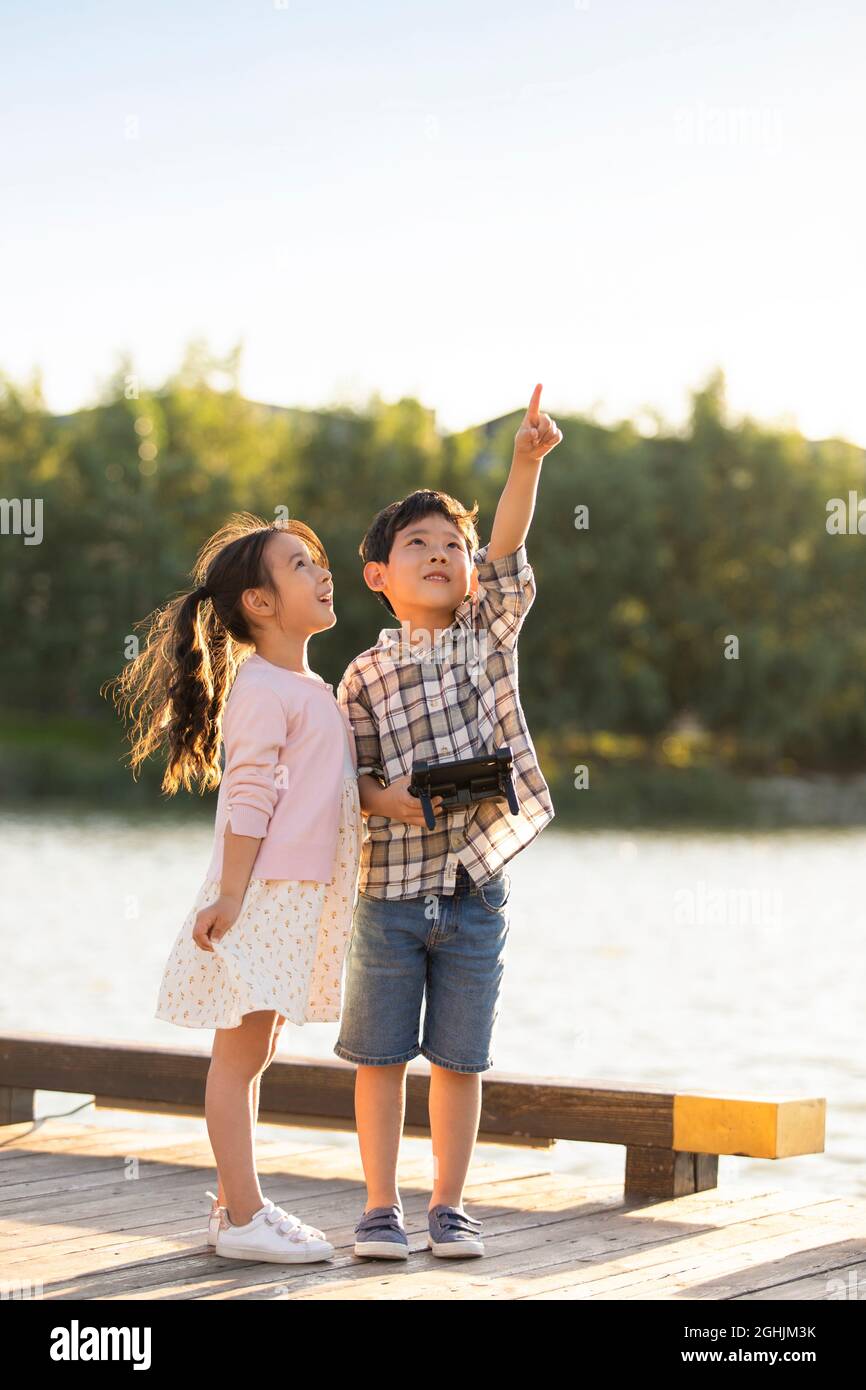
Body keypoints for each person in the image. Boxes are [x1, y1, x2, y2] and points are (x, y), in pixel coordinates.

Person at [334, 384, 562, 1259]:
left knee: (461, 1061)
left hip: (474, 891)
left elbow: (509, 545)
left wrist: (524, 463)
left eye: (451, 547)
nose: (441, 555)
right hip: (388, 895)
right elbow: (346, 779)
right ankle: (380, 1207)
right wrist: (386, 798)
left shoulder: (485, 635)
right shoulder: (359, 674)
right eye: (417, 545)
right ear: (378, 576)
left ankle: (449, 1205)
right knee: (381, 1059)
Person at [104, 511, 362, 1263]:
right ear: (260, 602)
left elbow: (330, 790)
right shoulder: (263, 688)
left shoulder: (313, 685)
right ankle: (244, 1214)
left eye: (320, 562)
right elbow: (250, 797)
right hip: (264, 894)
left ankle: (233, 1205)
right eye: (302, 565)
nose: (323, 574)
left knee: (259, 1047)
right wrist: (230, 898)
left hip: (294, 892)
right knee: (240, 1054)